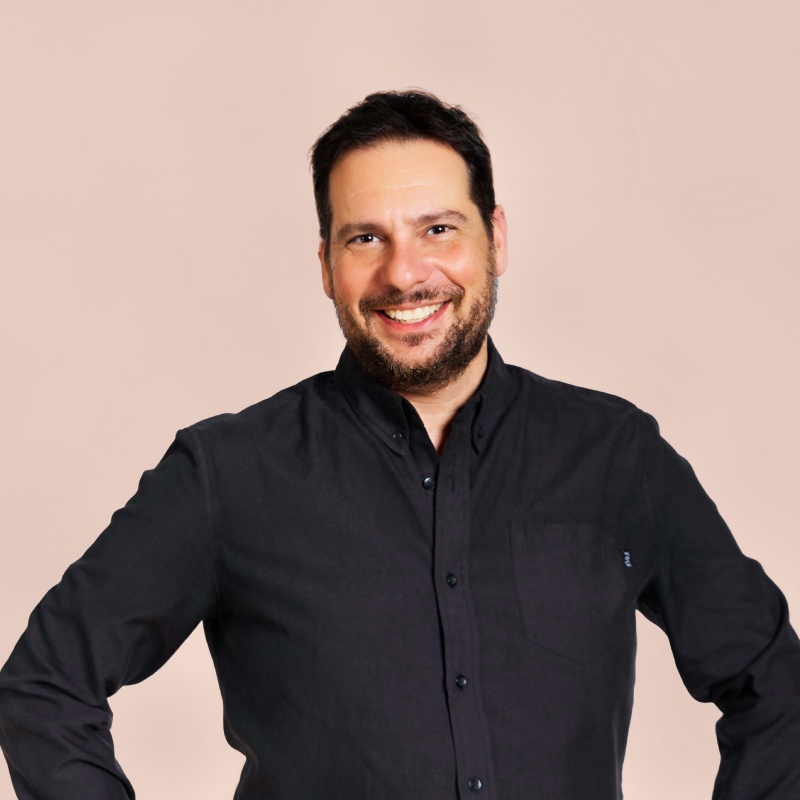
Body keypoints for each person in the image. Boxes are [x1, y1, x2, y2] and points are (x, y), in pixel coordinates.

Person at [1, 90, 798, 800]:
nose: (404, 273)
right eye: (364, 239)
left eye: (437, 229)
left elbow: (776, 687)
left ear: (495, 238)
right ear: (326, 266)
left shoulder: (614, 456)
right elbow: (44, 687)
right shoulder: (228, 474)